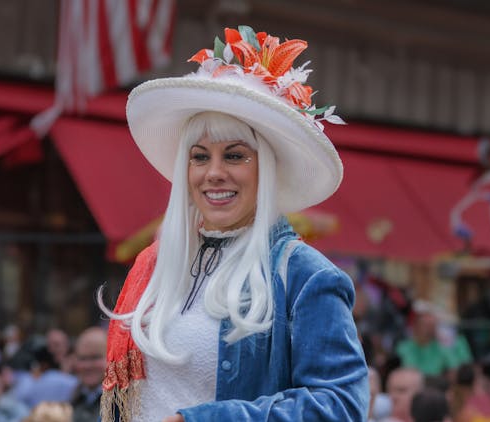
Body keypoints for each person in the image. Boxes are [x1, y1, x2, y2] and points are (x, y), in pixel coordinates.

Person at [98, 25, 369, 421]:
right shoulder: (153, 265)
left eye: (236, 156)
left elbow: (341, 407)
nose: (214, 173)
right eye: (200, 156)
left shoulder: (306, 275)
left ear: (267, 168)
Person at [70, 327, 106, 422]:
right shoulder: (69, 398)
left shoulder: (123, 404)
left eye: (95, 357)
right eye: (83, 358)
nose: (88, 366)